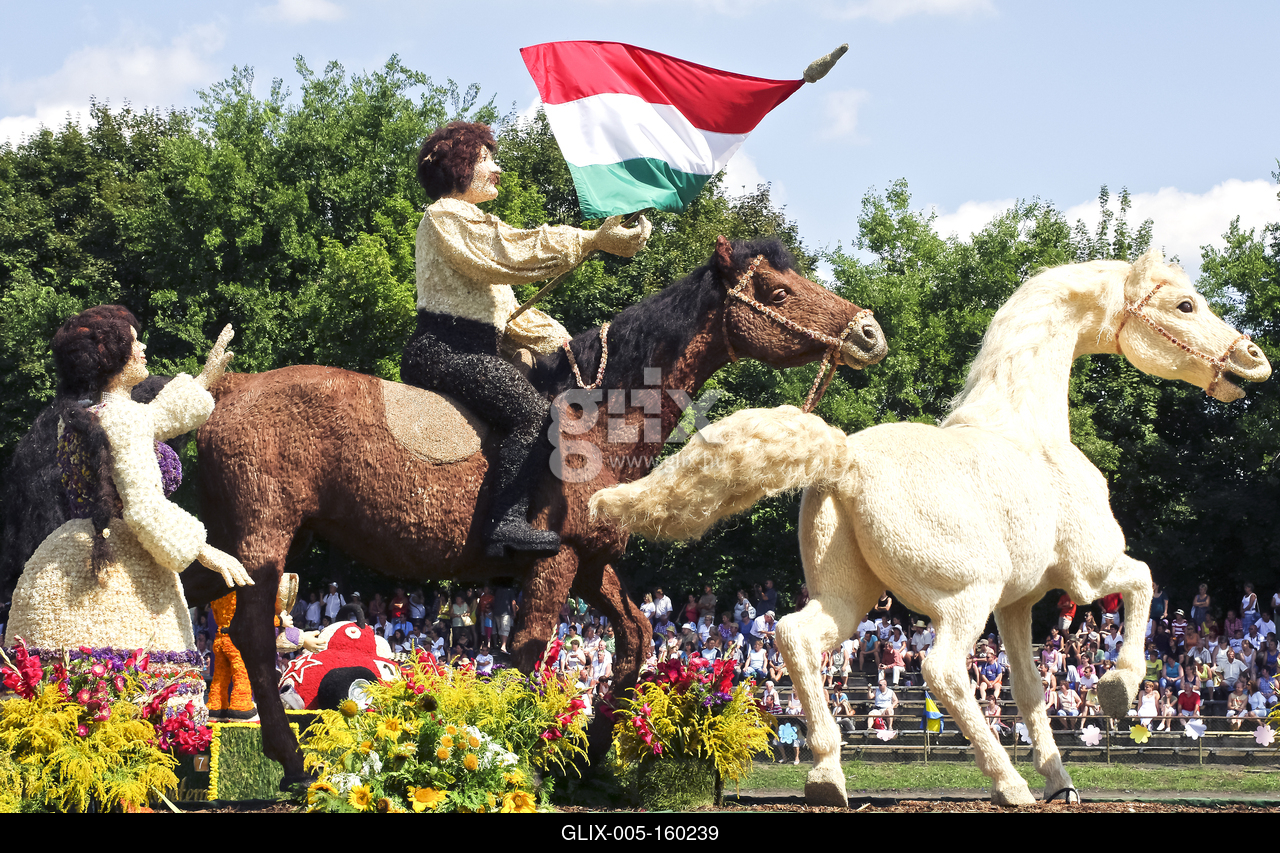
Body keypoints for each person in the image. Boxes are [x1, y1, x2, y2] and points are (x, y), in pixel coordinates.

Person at [404, 122, 650, 557]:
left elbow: (513, 318)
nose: (497, 170)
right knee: (536, 416)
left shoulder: (465, 224)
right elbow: (509, 250)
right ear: (460, 167)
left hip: (468, 348)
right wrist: (590, 239)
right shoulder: (445, 215)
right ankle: (504, 524)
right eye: (486, 160)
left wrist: (579, 354)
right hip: (446, 350)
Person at [5, 307, 252, 653]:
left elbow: (159, 416)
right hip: (121, 565)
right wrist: (204, 551)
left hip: (64, 557)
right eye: (135, 342)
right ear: (113, 357)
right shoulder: (125, 420)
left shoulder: (81, 417)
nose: (143, 348)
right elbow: (144, 508)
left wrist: (205, 377)